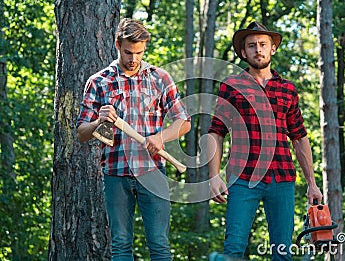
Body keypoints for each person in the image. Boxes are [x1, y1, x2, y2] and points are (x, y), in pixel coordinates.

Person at [76, 18, 191, 261]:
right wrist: (98, 121)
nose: (133, 58)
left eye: (139, 52)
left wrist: (160, 137)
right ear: (118, 44)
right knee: (120, 244)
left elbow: (184, 122)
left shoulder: (160, 78)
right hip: (116, 174)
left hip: (153, 171)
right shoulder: (98, 82)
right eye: (128, 51)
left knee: (159, 244)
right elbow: (81, 133)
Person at [207, 21, 323, 260]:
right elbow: (216, 131)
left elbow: (299, 138)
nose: (257, 49)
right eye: (251, 45)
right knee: (234, 248)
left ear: (273, 49)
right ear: (243, 52)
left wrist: (312, 183)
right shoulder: (232, 86)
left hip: (282, 178)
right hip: (242, 178)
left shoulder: (287, 90)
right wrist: (214, 175)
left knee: (283, 252)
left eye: (262, 44)